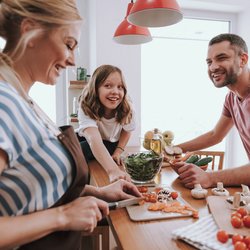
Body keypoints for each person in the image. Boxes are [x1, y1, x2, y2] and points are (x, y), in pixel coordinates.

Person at [0, 1, 141, 249]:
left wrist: (98, 192)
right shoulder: (4, 103)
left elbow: (37, 189)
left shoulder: (23, 100)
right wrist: (62, 216)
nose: (73, 61)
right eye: (68, 45)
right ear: (29, 31)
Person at [172, 33, 250, 189]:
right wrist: (176, 149)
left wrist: (209, 178)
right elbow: (215, 135)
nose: (213, 67)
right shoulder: (231, 98)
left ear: (242, 60)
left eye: (222, 58)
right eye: (209, 62)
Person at [77, 64, 136, 183]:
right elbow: (93, 139)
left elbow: (128, 130)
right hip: (90, 138)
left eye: (120, 87)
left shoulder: (127, 108)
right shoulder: (86, 106)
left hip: (110, 143)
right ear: (96, 88)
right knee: (72, 147)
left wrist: (118, 151)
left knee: (85, 150)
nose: (115, 92)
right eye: (108, 86)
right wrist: (113, 171)